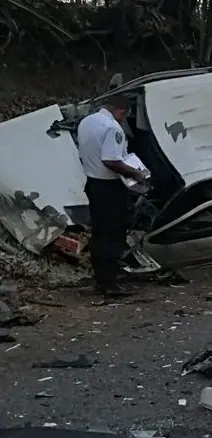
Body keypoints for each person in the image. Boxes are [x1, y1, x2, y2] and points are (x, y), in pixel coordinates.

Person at [77, 95, 148, 297]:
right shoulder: (113, 128)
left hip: (93, 183)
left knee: (99, 234)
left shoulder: (87, 122)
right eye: (124, 116)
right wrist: (136, 174)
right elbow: (111, 161)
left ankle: (101, 281)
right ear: (122, 112)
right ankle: (111, 285)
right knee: (113, 235)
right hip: (110, 188)